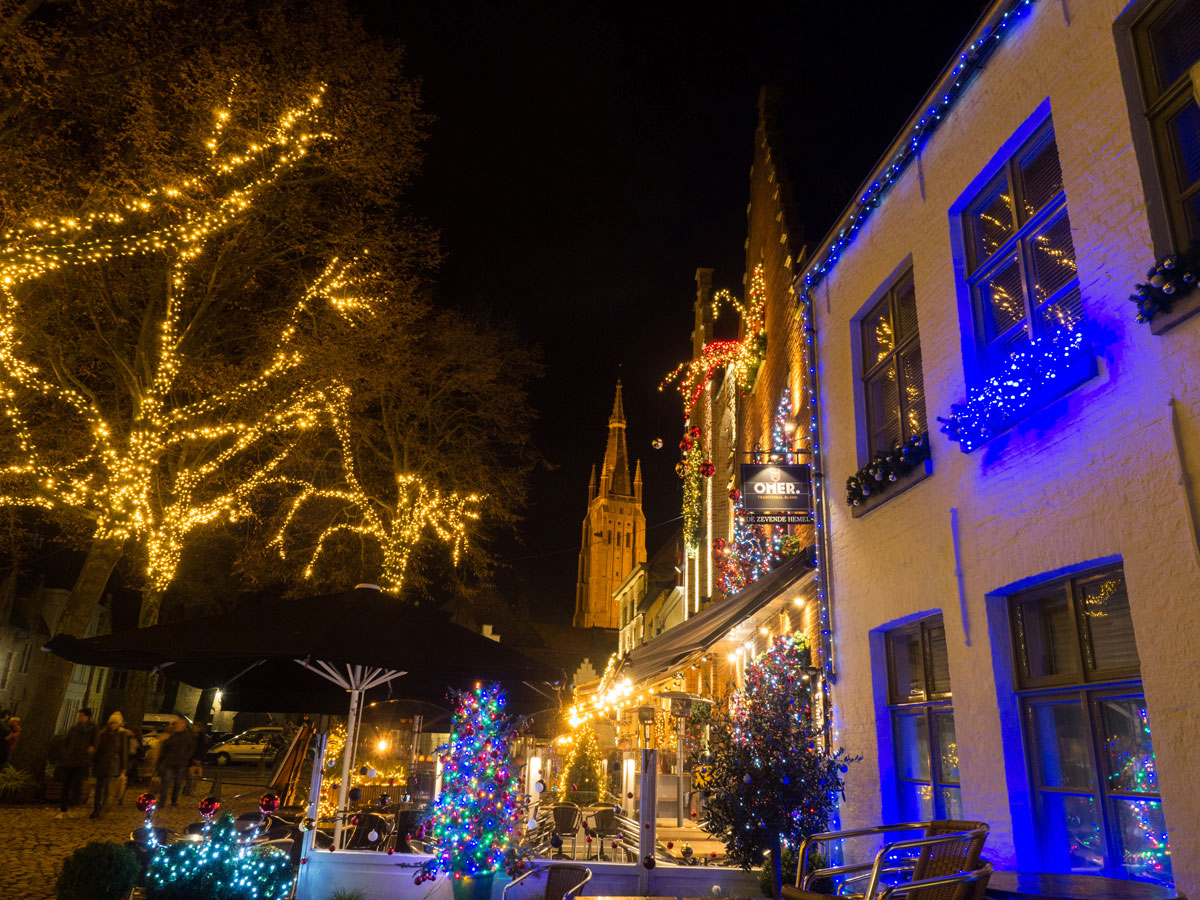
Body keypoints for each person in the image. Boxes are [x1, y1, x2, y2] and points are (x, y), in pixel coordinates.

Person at [57, 708, 97, 818]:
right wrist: (66, 753)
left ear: (87, 717)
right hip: (70, 760)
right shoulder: (73, 729)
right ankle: (63, 808)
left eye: (81, 716)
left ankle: (74, 806)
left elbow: (95, 745)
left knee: (77, 785)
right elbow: (66, 741)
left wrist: (89, 753)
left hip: (82, 761)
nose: (79, 718)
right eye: (79, 716)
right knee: (66, 785)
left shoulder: (92, 730)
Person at [91, 712, 130, 818]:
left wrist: (124, 767)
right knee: (99, 786)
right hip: (101, 762)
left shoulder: (122, 735)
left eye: (115, 723)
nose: (113, 725)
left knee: (107, 785)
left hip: (112, 763)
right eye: (112, 723)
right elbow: (97, 748)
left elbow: (124, 751)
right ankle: (97, 808)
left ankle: (104, 805)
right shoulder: (102, 734)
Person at [157, 716, 196, 807]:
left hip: (180, 763)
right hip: (169, 762)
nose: (177, 726)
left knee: (177, 784)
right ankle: (162, 801)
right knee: (165, 782)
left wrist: (185, 757)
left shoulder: (188, 736)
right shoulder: (173, 735)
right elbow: (166, 748)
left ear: (183, 726)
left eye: (178, 725)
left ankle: (174, 801)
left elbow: (191, 748)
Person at [184, 722, 211, 797]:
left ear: (199, 728)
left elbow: (203, 749)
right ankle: (187, 789)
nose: (193, 728)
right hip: (190, 758)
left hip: (196, 758)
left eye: (195, 727)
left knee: (194, 776)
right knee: (188, 774)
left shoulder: (202, 738)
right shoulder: (191, 736)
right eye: (193, 727)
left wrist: (199, 758)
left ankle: (191, 790)